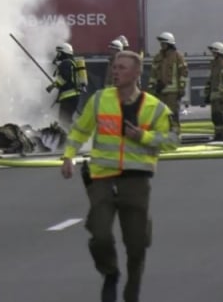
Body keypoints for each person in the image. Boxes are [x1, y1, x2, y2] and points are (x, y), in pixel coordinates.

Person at [61, 50, 178, 302]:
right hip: (102, 177)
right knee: (99, 233)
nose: (116, 71)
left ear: (137, 73)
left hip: (136, 179)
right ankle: (110, 273)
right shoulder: (100, 100)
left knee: (136, 244)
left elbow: (173, 140)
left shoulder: (154, 107)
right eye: (115, 67)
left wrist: (143, 137)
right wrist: (68, 155)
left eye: (122, 68)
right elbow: (80, 129)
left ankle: (132, 290)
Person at [147, 31, 188, 134]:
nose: (161, 45)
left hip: (172, 93)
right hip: (160, 92)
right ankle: (165, 134)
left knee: (173, 115)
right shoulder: (157, 57)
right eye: (161, 43)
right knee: (161, 115)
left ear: (169, 44)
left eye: (163, 43)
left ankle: (175, 135)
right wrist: (152, 89)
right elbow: (153, 75)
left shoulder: (178, 56)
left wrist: (181, 88)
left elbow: (183, 73)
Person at [46, 42, 87, 129]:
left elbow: (64, 78)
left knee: (64, 121)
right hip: (72, 97)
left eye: (59, 52)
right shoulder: (71, 62)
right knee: (66, 120)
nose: (58, 55)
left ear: (64, 52)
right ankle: (70, 135)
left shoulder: (66, 63)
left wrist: (52, 86)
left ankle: (69, 137)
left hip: (69, 97)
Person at [203, 42, 223, 141]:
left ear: (219, 53)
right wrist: (207, 94)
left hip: (221, 96)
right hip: (214, 95)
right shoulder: (214, 65)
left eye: (215, 52)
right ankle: (218, 134)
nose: (213, 54)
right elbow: (210, 80)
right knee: (215, 117)